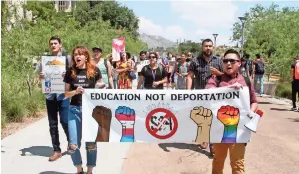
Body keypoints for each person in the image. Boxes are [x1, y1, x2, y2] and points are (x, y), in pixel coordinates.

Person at [205, 49, 258, 174]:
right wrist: (229, 88)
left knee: (237, 164)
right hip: (219, 129)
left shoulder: (245, 80)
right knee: (218, 161)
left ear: (239, 63)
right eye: (225, 61)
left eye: (232, 61)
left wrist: (250, 112)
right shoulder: (216, 79)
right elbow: (207, 93)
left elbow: (254, 101)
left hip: (238, 131)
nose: (228, 63)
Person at [64, 46, 104, 174]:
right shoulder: (70, 72)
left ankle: (90, 171)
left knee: (91, 145)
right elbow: (65, 94)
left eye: (80, 54)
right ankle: (79, 169)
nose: (77, 56)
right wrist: (75, 92)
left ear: (86, 56)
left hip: (91, 112)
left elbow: (101, 86)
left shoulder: (95, 70)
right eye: (75, 54)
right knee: (73, 145)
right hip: (74, 110)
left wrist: (100, 88)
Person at [186, 38, 223, 154]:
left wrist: (218, 73)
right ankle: (204, 138)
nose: (208, 48)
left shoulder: (219, 61)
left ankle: (213, 145)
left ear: (213, 47)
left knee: (214, 119)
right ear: (202, 47)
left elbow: (226, 76)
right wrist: (188, 92)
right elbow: (190, 77)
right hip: (200, 95)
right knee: (203, 119)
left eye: (210, 46)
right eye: (206, 46)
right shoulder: (195, 61)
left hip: (215, 96)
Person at [39, 36, 71, 161]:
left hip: (63, 95)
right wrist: (41, 76)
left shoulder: (67, 59)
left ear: (60, 45)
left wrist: (66, 74)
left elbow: (73, 75)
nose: (53, 45)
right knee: (53, 124)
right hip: (50, 94)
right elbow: (41, 79)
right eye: (51, 43)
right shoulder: (45, 60)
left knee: (65, 121)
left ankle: (71, 142)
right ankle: (56, 150)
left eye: (55, 43)